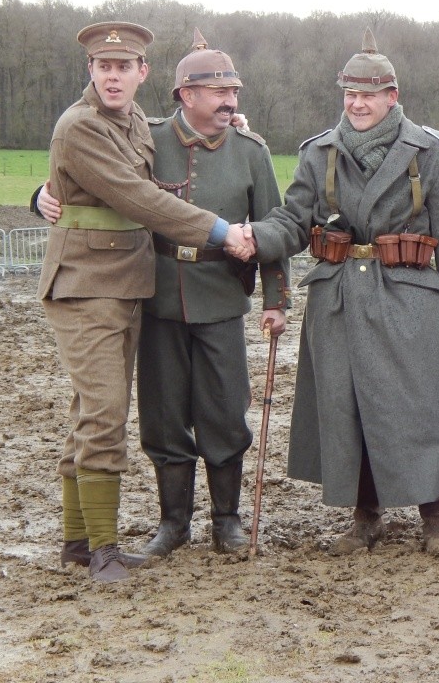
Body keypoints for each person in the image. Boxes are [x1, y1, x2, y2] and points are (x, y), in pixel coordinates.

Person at [37, 29, 290, 558]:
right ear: (184, 95)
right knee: (161, 417)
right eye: (217, 93)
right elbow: (120, 189)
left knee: (224, 413)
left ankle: (226, 521)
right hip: (153, 295)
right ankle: (170, 525)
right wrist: (42, 196)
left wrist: (275, 300)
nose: (228, 102)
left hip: (219, 296)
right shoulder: (142, 134)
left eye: (233, 93)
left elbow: (271, 221)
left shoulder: (243, 148)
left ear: (141, 72)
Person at [237, 29, 439, 556]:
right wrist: (255, 237)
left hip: (411, 294)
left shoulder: (433, 152)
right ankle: (365, 515)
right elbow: (294, 220)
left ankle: (437, 514)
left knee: (423, 407)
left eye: (369, 94)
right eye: (350, 94)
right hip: (340, 295)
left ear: (393, 97)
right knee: (349, 406)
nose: (358, 103)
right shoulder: (319, 151)